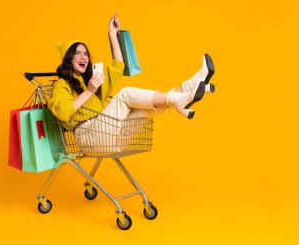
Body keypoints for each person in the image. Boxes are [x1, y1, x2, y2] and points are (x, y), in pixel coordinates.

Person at [48, 14, 215, 154]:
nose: (84, 56)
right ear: (68, 58)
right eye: (77, 53)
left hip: (112, 138)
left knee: (145, 109)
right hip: (88, 138)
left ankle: (188, 88)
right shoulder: (61, 85)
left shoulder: (91, 80)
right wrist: (90, 91)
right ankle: (184, 93)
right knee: (126, 94)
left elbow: (118, 67)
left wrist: (113, 34)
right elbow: (63, 113)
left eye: (86, 53)